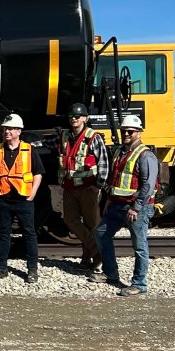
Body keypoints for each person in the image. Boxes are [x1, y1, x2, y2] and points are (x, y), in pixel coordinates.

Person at [96, 115, 159, 296]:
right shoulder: (120, 152)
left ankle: (139, 284)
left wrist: (136, 207)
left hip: (136, 207)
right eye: (124, 131)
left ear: (139, 133)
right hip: (117, 204)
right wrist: (109, 198)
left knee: (139, 245)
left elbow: (148, 185)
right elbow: (115, 179)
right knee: (101, 233)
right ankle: (111, 274)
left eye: (130, 131)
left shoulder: (146, 155)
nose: (126, 134)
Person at [0, 113, 43, 283]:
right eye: (5, 129)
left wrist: (32, 194)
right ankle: (0, 267)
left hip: (23, 199)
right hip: (4, 198)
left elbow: (38, 173)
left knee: (29, 234)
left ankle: (32, 269)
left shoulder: (29, 150)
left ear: (19, 131)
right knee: (3, 234)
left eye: (10, 129)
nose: (6, 131)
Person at [58, 103, 109, 275]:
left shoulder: (93, 137)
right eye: (72, 116)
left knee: (92, 224)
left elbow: (103, 162)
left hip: (88, 188)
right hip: (70, 187)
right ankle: (98, 252)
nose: (74, 118)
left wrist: (97, 186)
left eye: (78, 116)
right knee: (70, 220)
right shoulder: (65, 137)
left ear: (85, 119)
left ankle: (90, 260)